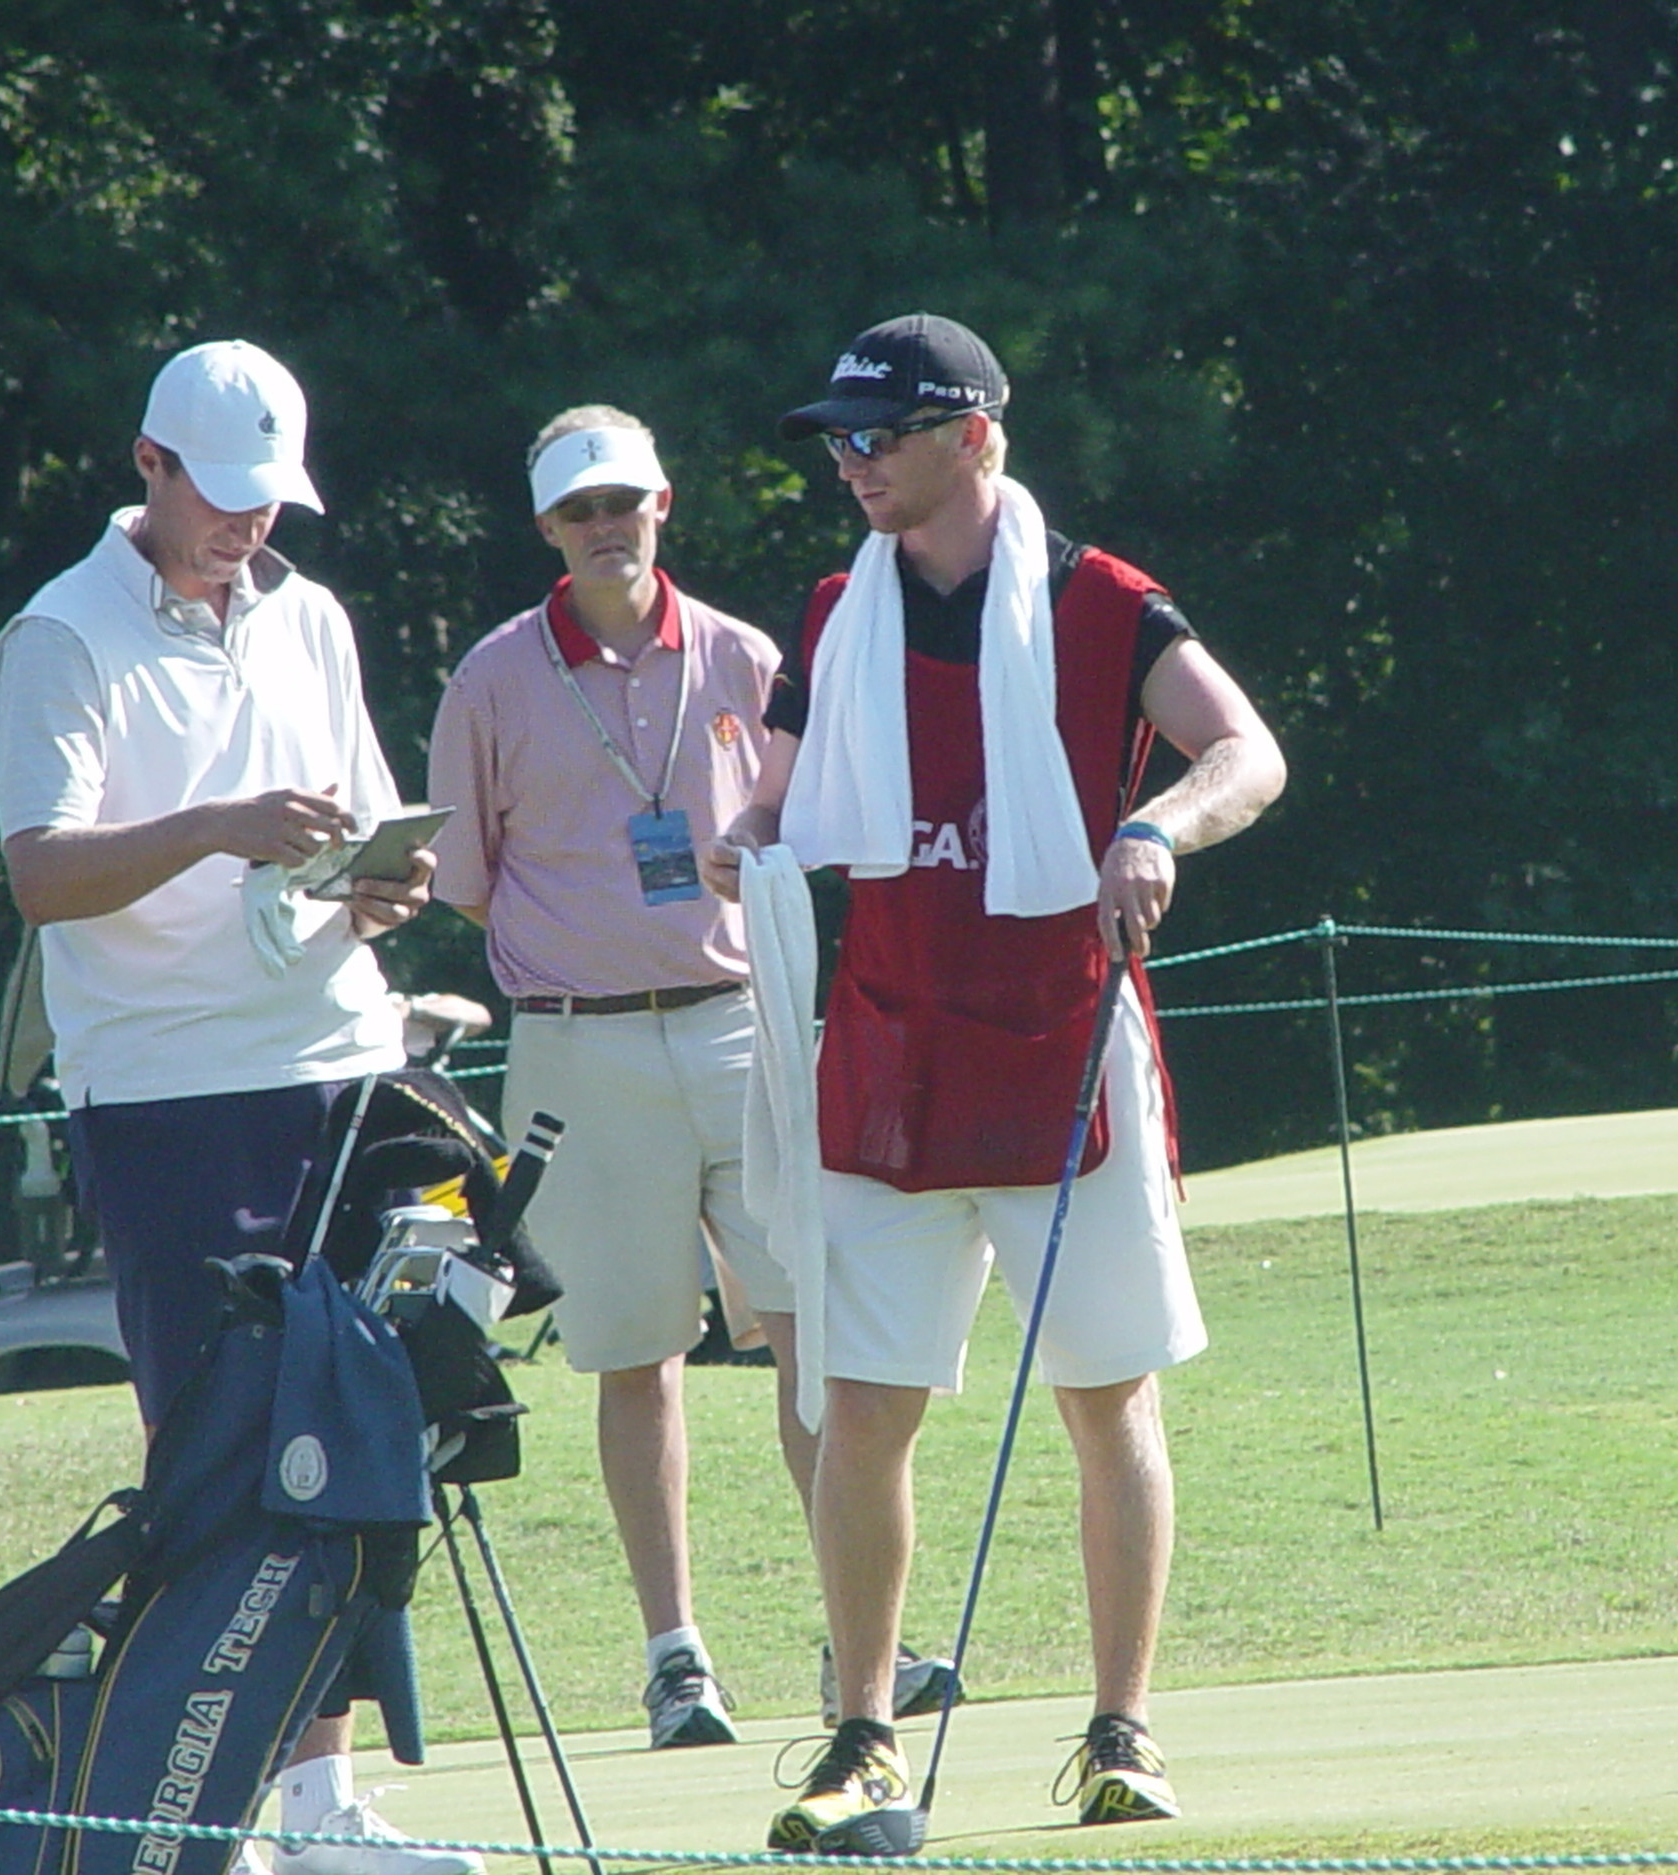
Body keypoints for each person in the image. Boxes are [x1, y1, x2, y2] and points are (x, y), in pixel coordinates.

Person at [704, 313, 1286, 1851]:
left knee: (1109, 1402)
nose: (851, 462)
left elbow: (1246, 750)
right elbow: (771, 791)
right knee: (859, 1415)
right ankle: (860, 1735)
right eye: (838, 438)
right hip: (889, 1058)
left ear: (972, 434)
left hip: (1064, 1055)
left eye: (877, 435)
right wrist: (741, 841)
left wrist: (1158, 829)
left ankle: (1122, 1730)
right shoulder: (838, 612)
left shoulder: (1103, 602)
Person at [0, 340, 470, 1875]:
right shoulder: (57, 638)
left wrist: (392, 884)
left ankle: (321, 1807)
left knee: (352, 1433)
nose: (249, 528)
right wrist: (214, 830)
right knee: (209, 1451)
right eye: (225, 497)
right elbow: (43, 873)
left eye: (270, 501)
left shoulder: (309, 618)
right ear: (150, 466)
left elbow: (376, 833)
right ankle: (214, 1810)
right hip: (171, 1095)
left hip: (336, 1060)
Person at [425, 407, 952, 1748]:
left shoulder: (742, 654)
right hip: (574, 1039)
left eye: (626, 502)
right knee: (634, 1354)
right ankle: (676, 1658)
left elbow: (812, 816)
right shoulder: (491, 679)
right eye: (577, 510)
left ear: (664, 503)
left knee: (807, 1338)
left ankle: (859, 1652)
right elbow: (464, 878)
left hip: (740, 1020)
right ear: (547, 530)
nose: (607, 526)